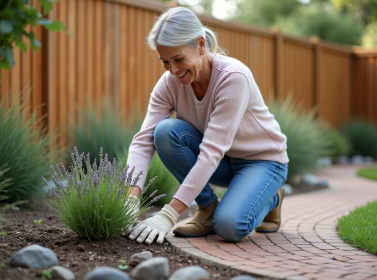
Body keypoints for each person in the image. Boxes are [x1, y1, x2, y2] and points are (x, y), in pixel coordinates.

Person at [124, 6, 289, 245]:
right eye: (165, 62)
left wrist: (168, 215)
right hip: (223, 163)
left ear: (201, 45)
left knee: (230, 227)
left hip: (262, 161)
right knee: (164, 133)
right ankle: (208, 207)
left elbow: (211, 151)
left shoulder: (233, 77)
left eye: (178, 59)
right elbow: (142, 141)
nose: (173, 70)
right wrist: (130, 199)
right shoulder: (170, 83)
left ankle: (272, 197)